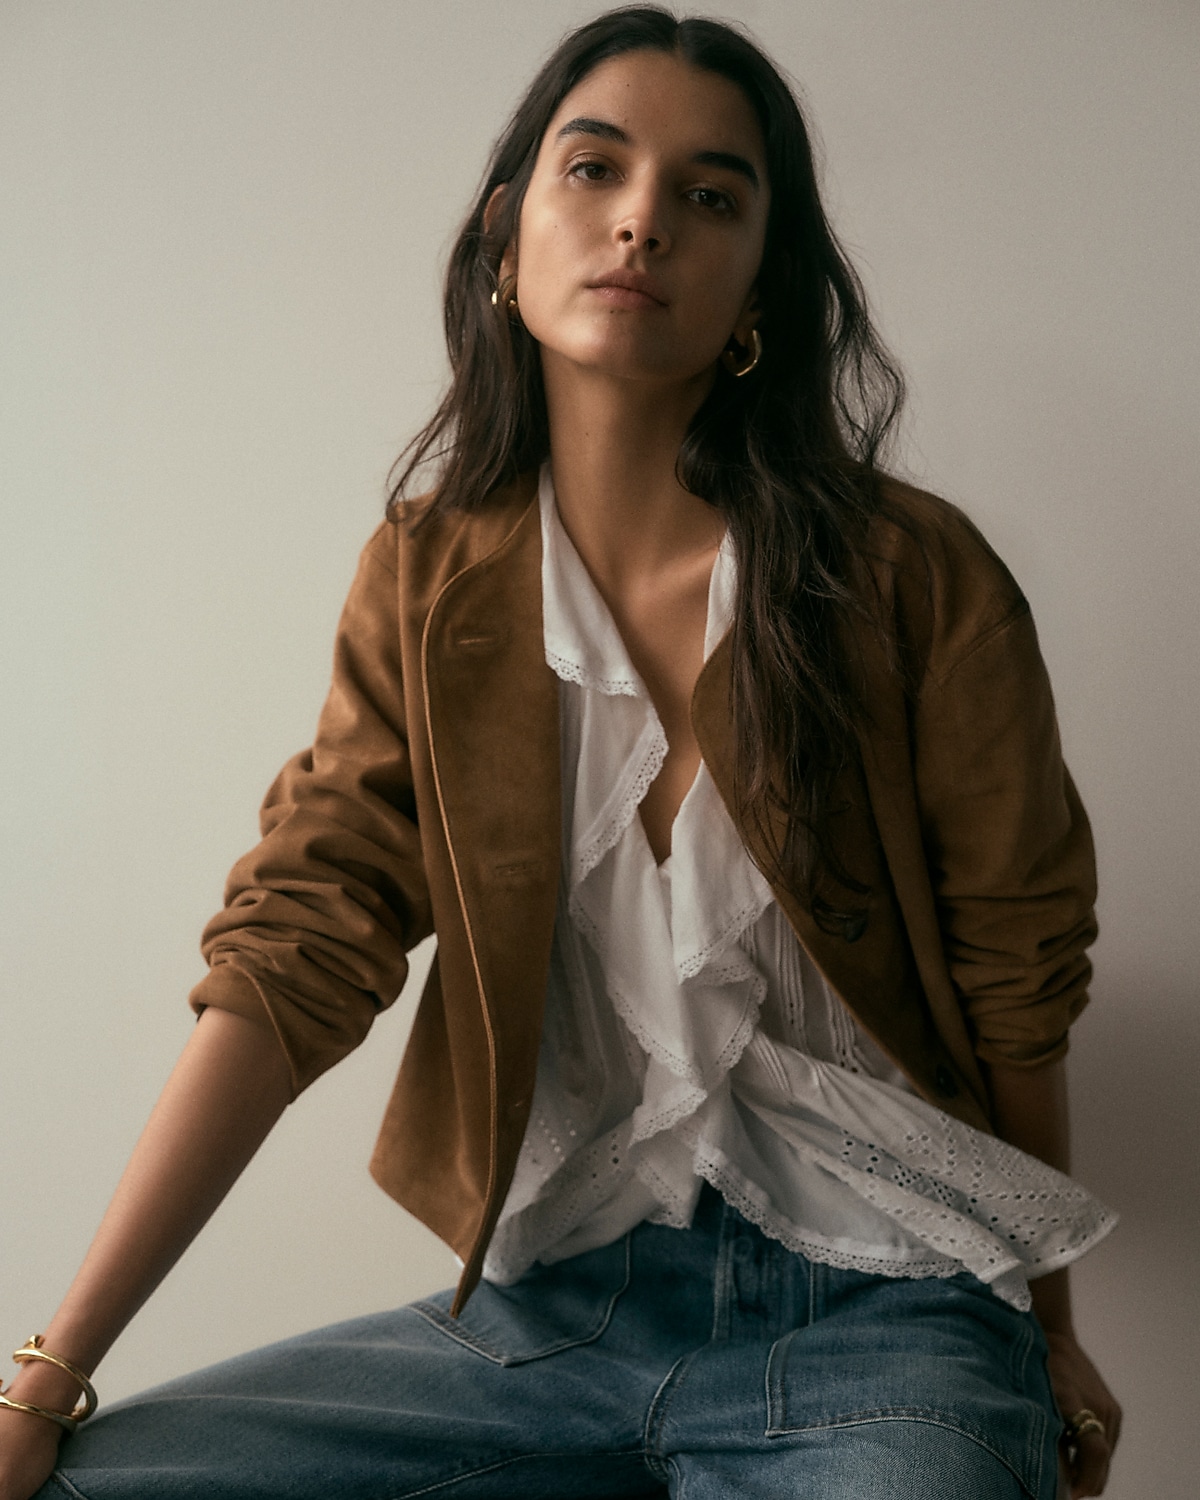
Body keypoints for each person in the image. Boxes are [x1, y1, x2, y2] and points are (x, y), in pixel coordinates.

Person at [0, 7, 1122, 1498]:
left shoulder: (913, 577)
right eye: (594, 168)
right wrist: (47, 1375)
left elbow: (1016, 976)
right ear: (504, 235)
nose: (644, 217)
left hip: (890, 1318)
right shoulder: (426, 583)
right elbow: (293, 954)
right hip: (550, 1319)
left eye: (709, 194)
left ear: (756, 291)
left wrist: (1048, 1335)